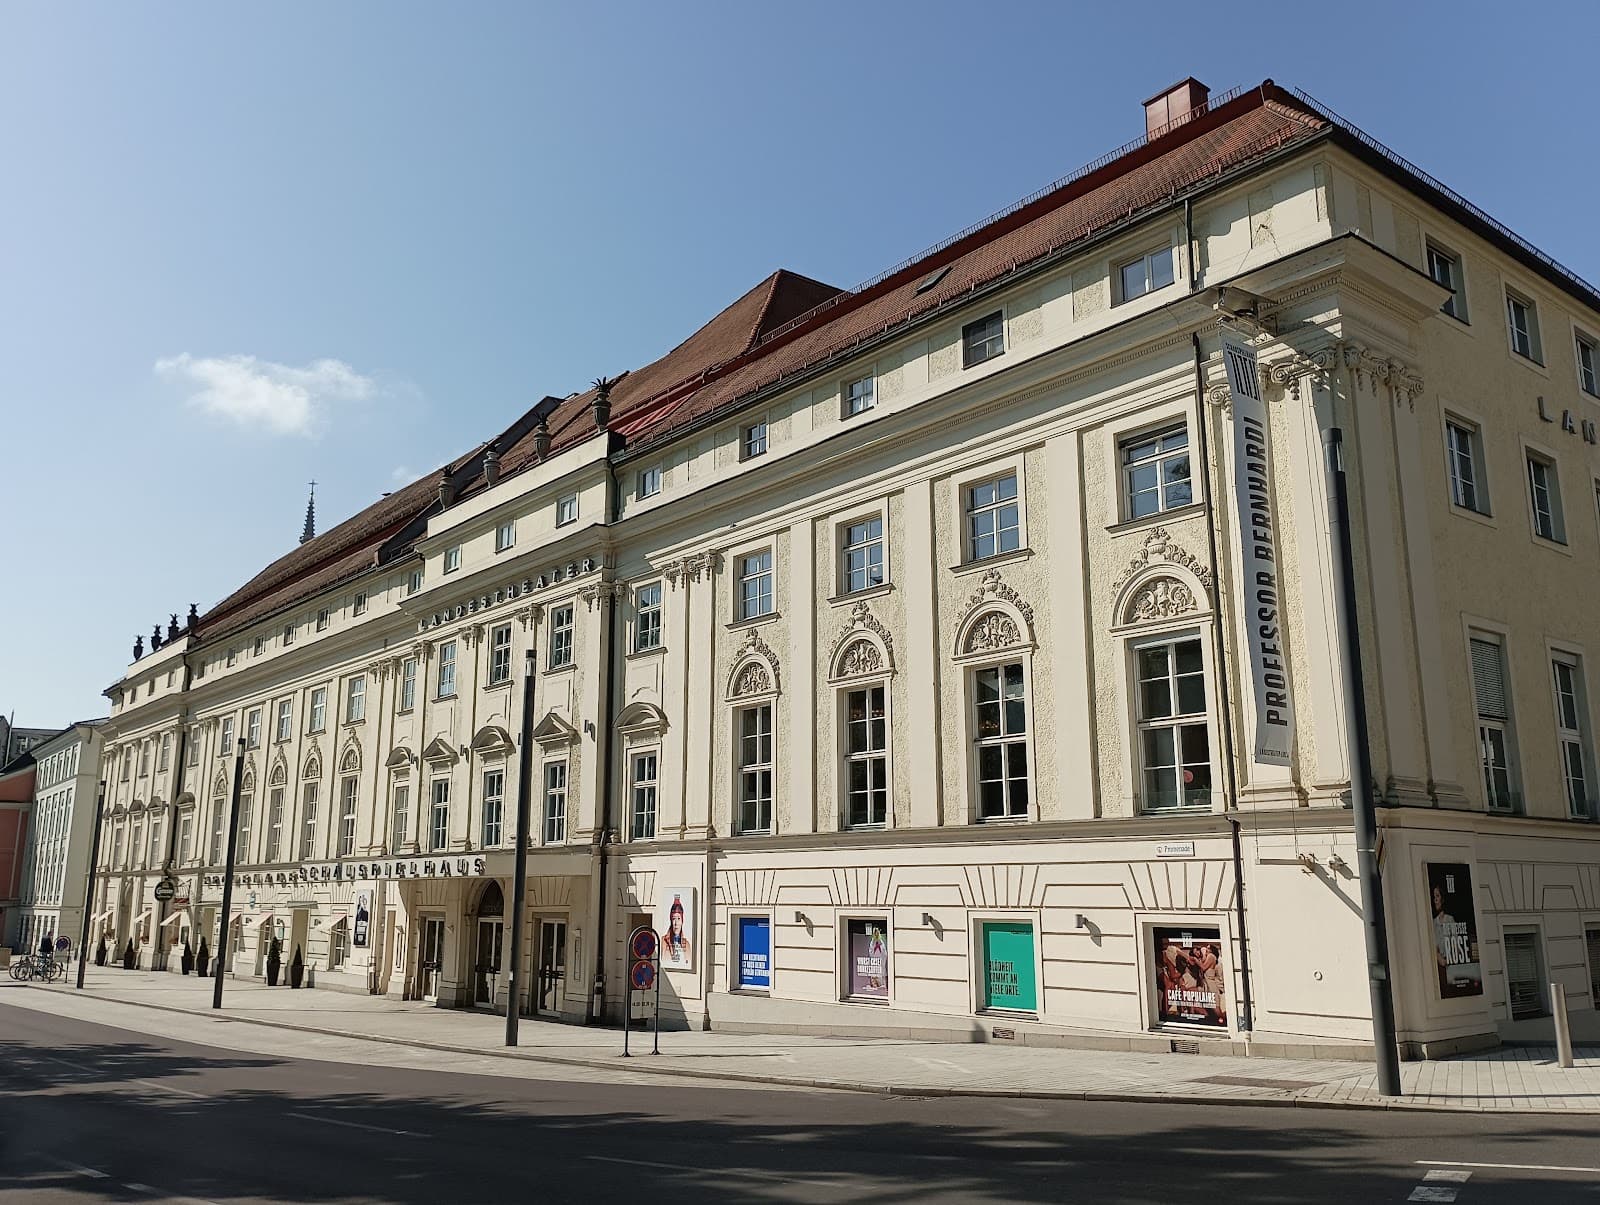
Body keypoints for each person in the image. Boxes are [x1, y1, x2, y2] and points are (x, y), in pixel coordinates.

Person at [663, 895, 691, 966]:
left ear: (682, 921)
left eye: (678, 919)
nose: (676, 923)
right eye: (673, 919)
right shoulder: (663, 941)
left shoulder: (687, 945)